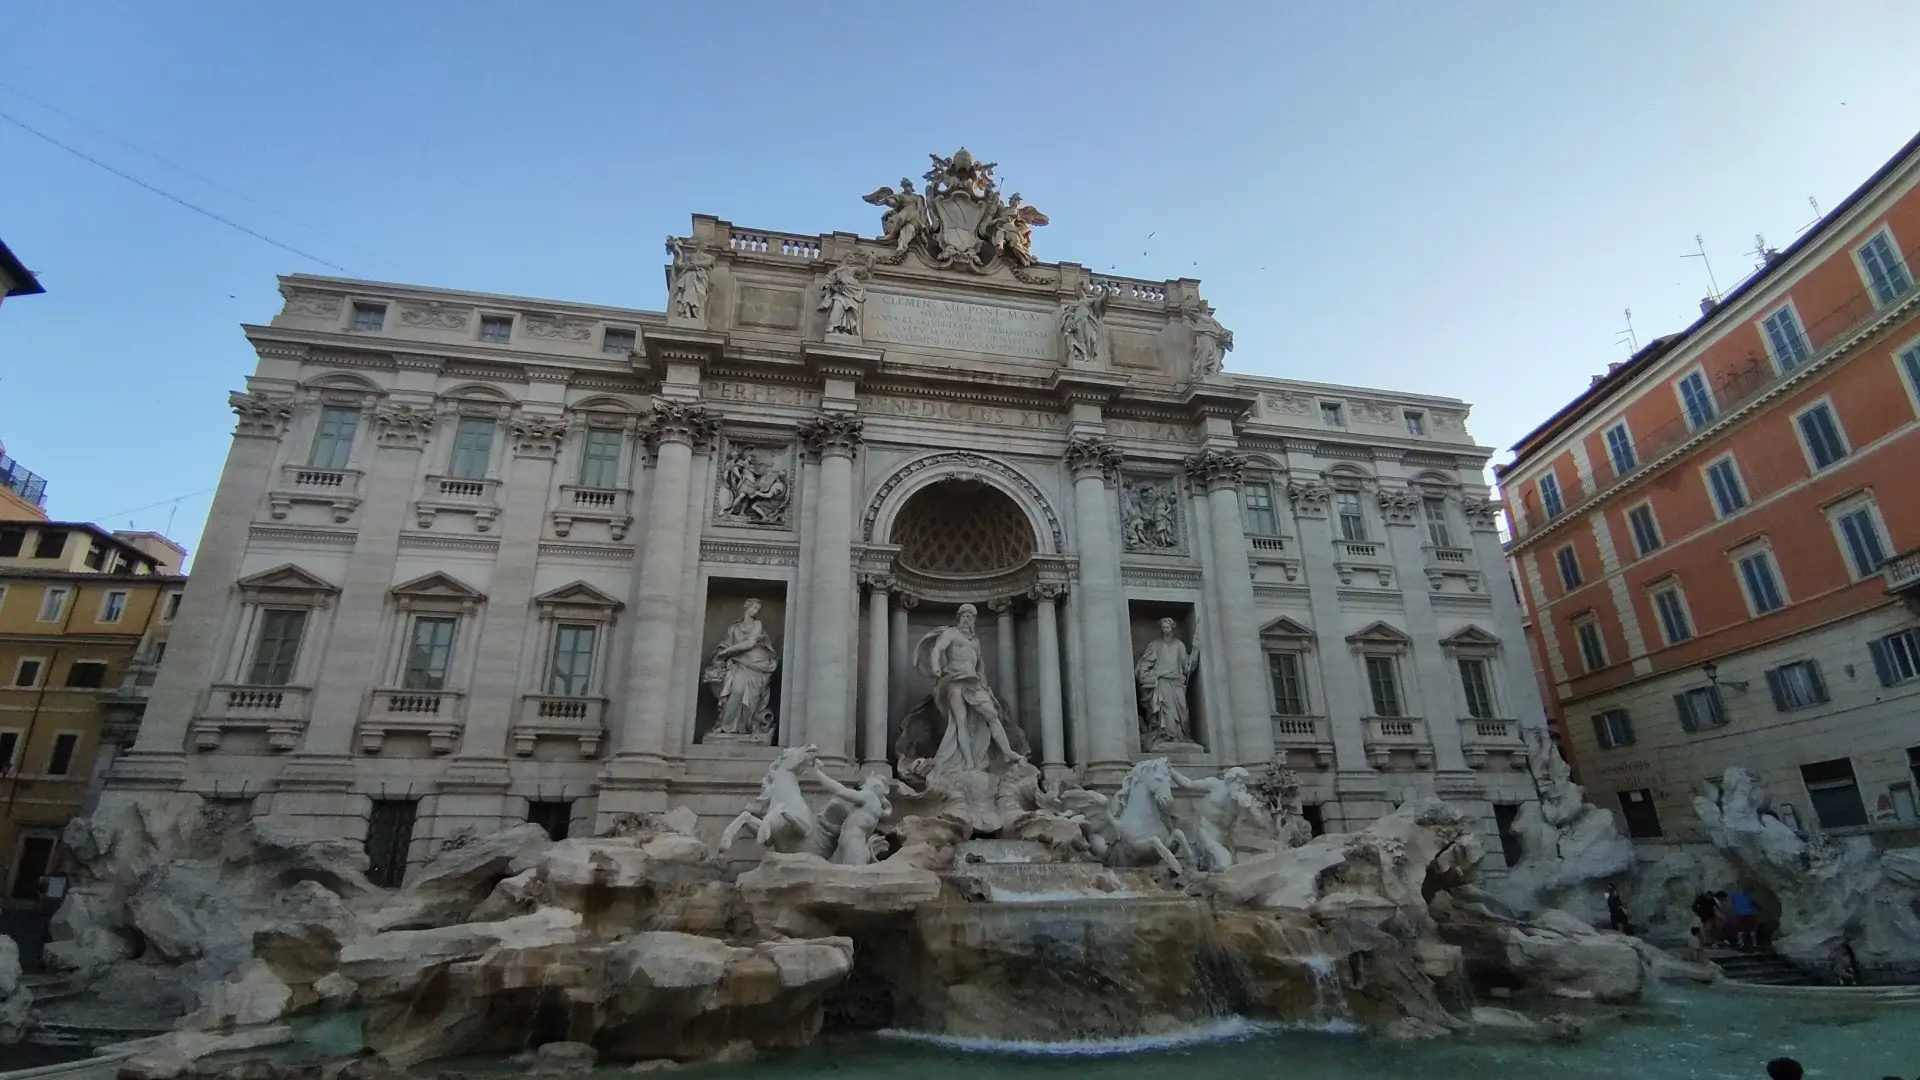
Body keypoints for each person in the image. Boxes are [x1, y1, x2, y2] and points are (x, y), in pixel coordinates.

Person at [1728, 886, 1760, 951]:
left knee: (1740, 930)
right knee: (1752, 930)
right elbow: (1754, 904)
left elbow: (1731, 904)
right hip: (1750, 914)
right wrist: (1760, 909)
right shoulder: (1748, 896)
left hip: (1740, 915)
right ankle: (1754, 943)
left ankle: (1741, 943)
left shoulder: (1734, 897)